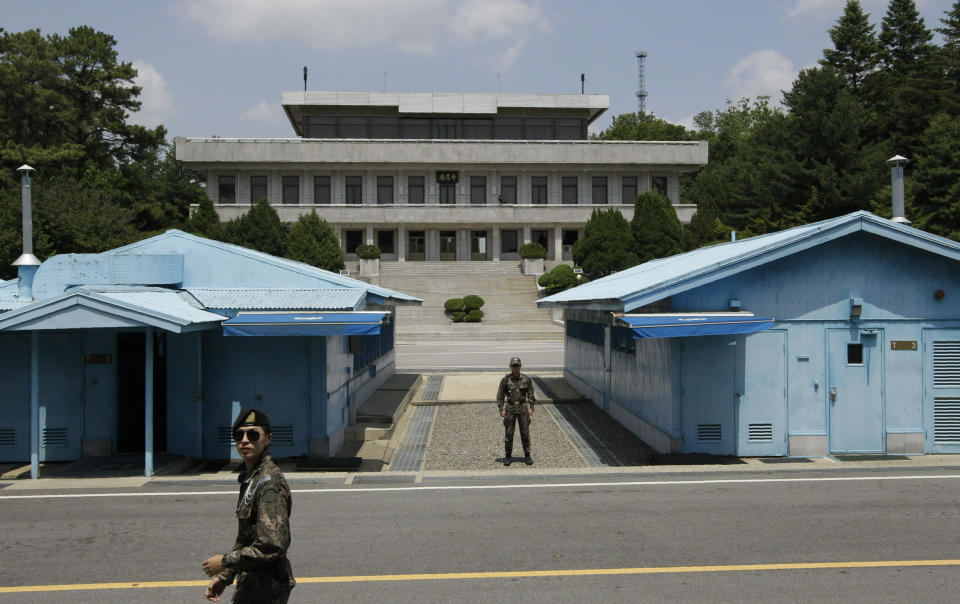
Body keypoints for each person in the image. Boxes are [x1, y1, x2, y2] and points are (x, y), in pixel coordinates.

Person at [202, 408, 295, 603]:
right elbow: (246, 537)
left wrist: (224, 561)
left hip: (266, 590)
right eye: (239, 435)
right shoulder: (253, 478)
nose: (244, 440)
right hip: (252, 585)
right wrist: (225, 576)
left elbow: (272, 545)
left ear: (268, 438)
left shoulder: (270, 484)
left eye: (253, 435)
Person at [496, 357, 536, 466]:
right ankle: (508, 456)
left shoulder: (526, 379)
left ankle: (527, 455)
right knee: (509, 433)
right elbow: (500, 395)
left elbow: (531, 394)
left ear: (520, 366)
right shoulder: (505, 380)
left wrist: (531, 408)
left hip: (522, 408)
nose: (515, 368)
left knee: (525, 433)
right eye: (514, 366)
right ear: (510, 366)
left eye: (517, 366)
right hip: (510, 408)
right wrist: (501, 408)